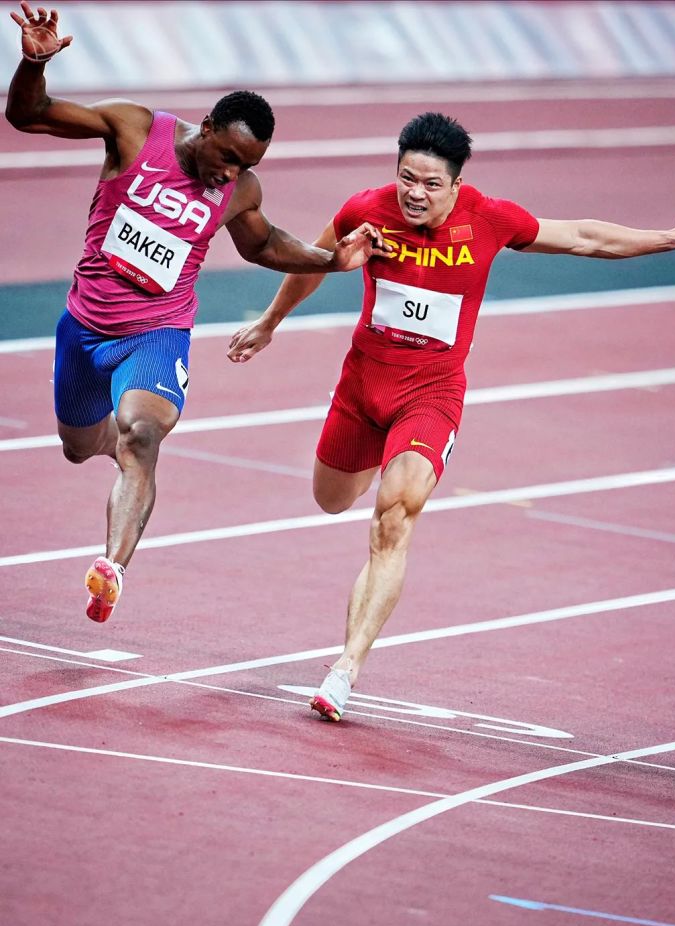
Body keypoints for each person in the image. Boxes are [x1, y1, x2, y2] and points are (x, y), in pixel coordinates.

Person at [227, 110, 675, 722]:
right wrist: (269, 324)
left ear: (456, 186)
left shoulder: (488, 219)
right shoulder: (366, 209)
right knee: (331, 499)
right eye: (407, 177)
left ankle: (345, 669)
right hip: (361, 388)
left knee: (394, 517)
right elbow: (313, 260)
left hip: (430, 396)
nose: (414, 192)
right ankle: (378, 461)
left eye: (431, 184)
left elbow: (583, 236)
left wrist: (667, 238)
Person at [6, 2, 389, 624]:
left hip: (159, 330)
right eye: (227, 156)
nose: (230, 173)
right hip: (85, 324)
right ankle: (111, 445)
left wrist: (330, 260)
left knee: (143, 432)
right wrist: (32, 64)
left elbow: (262, 244)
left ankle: (111, 568)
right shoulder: (134, 130)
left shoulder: (238, 190)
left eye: (246, 166)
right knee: (79, 447)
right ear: (206, 126)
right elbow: (28, 114)